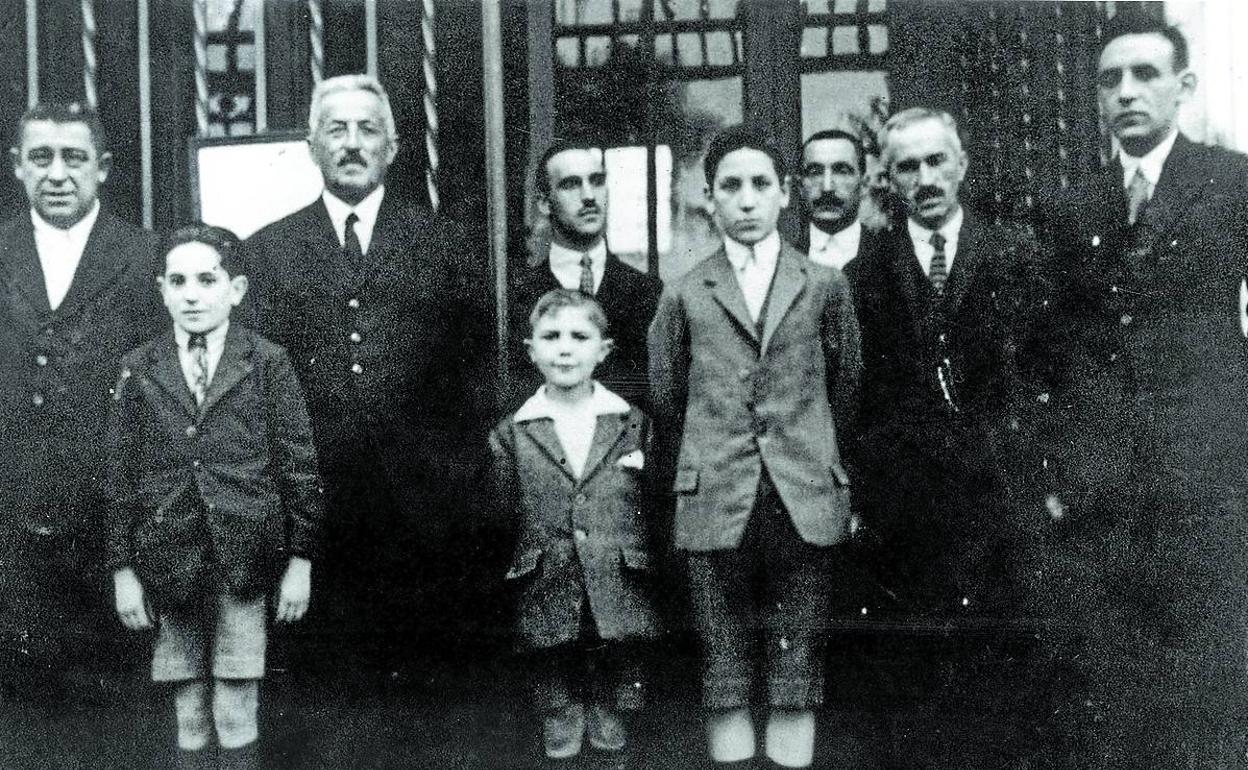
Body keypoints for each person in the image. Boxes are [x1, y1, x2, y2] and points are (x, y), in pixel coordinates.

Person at [1034, 12, 1248, 767]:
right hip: (1103, 495)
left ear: (1183, 86)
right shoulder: (1068, 208)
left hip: (1208, 482)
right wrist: (1061, 473)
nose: (1126, 92)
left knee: (1212, 688)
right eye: (1110, 79)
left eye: (1145, 74)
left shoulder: (1233, 184)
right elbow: (1051, 353)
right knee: (1114, 694)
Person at [241, 74, 484, 670]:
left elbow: (475, 374)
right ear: (312, 147)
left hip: (425, 509)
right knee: (326, 682)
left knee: (426, 677)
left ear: (392, 148)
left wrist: (455, 477)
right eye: (337, 130)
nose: (352, 144)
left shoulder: (444, 245)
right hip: (316, 512)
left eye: (367, 130)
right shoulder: (269, 250)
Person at [648, 125, 860, 770]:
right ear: (709, 198)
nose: (746, 200)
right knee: (725, 671)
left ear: (785, 193)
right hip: (716, 501)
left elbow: (845, 386)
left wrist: (813, 456)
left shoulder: (824, 284)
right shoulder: (685, 291)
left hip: (803, 501)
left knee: (798, 673)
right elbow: (668, 394)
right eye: (730, 186)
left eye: (760, 184)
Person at [105, 224, 323, 770]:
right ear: (161, 290)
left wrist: (300, 559)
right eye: (178, 281)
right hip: (169, 560)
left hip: (244, 558)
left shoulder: (266, 362)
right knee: (190, 710)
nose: (192, 295)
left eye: (207, 280)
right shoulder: (139, 367)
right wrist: (123, 569)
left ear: (237, 289)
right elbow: (119, 475)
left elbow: (298, 466)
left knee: (235, 702)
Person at [846, 106, 1046, 617]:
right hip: (906, 513)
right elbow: (856, 398)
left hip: (1002, 501)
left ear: (962, 164)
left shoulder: (1017, 256)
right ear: (889, 179)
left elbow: (1044, 372)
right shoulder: (863, 275)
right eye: (908, 167)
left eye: (936, 161)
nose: (926, 178)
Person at [0, 101, 161, 705]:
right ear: (18, 166)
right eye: (41, 158)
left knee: (114, 703)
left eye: (74, 158)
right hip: (11, 517)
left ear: (104, 168)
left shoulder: (146, 256)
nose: (57, 174)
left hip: (108, 519)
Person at [489, 288, 661, 762]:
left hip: (619, 586)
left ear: (604, 350)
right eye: (551, 337)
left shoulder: (633, 424)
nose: (565, 349)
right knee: (557, 715)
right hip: (547, 586)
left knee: (614, 715)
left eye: (579, 337)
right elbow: (503, 514)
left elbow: (652, 504)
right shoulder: (512, 432)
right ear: (531, 350)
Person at [510, 140, 662, 410]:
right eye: (571, 184)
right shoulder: (517, 295)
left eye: (597, 181)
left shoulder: (648, 292)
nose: (589, 196)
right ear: (544, 203)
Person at [796, 129, 876, 270]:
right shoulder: (784, 259)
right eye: (815, 173)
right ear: (800, 186)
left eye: (842, 171)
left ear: (864, 184)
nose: (827, 188)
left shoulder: (892, 257)